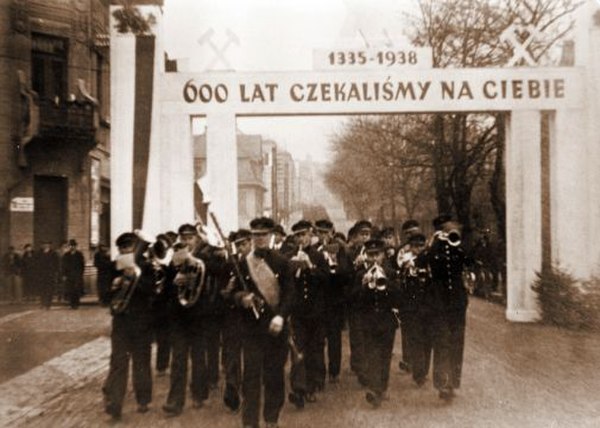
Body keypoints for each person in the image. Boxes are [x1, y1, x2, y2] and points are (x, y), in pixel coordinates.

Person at [230, 217, 295, 428]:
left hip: (276, 329)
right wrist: (242, 298)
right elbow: (231, 293)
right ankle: (249, 422)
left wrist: (280, 316)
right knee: (250, 377)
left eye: (263, 235)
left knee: (274, 376)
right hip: (251, 330)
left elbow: (290, 295)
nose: (259, 239)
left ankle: (271, 419)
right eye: (256, 235)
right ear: (252, 237)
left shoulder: (282, 262)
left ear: (271, 236)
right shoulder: (242, 263)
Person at [163, 223, 227, 416]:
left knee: (199, 358)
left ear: (196, 239)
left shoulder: (205, 257)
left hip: (200, 316)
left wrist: (197, 262)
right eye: (183, 238)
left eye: (190, 238)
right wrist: (174, 280)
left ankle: (199, 394)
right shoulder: (174, 261)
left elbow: (220, 270)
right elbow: (165, 289)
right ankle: (175, 402)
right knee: (178, 360)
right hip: (179, 317)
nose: (186, 242)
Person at [102, 231, 157, 420]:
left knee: (141, 362)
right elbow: (104, 296)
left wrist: (136, 278)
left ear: (135, 249)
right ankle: (115, 404)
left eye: (129, 247)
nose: (125, 251)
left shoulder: (146, 266)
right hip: (121, 321)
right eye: (122, 248)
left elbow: (152, 291)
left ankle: (143, 399)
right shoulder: (113, 267)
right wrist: (114, 286)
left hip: (142, 322)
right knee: (118, 362)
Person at [348, 238, 400, 408]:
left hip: (387, 322)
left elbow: (398, 297)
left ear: (383, 256)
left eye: (377, 255)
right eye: (370, 255)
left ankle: (381, 387)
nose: (373, 259)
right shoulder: (359, 275)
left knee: (384, 357)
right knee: (372, 356)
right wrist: (363, 284)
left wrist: (385, 280)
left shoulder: (390, 273)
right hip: (368, 322)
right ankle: (374, 390)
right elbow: (353, 301)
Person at [425, 214, 469, 401]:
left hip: (457, 302)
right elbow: (428, 261)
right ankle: (442, 383)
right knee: (442, 341)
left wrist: (457, 244)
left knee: (456, 342)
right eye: (449, 233)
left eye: (455, 233)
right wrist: (436, 241)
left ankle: (453, 382)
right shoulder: (436, 249)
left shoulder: (459, 249)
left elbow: (469, 260)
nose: (452, 236)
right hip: (439, 302)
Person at [286, 220, 329, 408]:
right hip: (298, 312)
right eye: (297, 236)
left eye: (303, 235)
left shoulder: (319, 256)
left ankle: (312, 386)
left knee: (314, 350)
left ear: (310, 236)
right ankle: (299, 390)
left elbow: (326, 279)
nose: (301, 239)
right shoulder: (289, 257)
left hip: (316, 312)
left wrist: (310, 266)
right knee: (297, 350)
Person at [313, 219, 352, 384]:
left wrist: (334, 263)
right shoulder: (314, 250)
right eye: (320, 233)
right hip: (318, 300)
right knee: (318, 338)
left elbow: (346, 273)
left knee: (334, 337)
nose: (323, 236)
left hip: (335, 299)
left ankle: (334, 371)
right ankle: (319, 373)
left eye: (326, 232)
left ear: (332, 232)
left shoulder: (340, 249)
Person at [221, 228, 252, 413]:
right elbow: (224, 292)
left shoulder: (258, 262)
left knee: (250, 356)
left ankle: (249, 391)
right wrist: (229, 290)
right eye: (238, 245)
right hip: (234, 316)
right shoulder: (231, 264)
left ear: (251, 242)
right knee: (232, 355)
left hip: (252, 318)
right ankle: (232, 389)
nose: (241, 248)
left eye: (244, 244)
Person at [397, 233, 432, 387]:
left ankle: (423, 370)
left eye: (421, 246)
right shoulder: (405, 260)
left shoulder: (429, 260)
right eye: (415, 246)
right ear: (410, 247)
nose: (418, 249)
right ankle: (419, 373)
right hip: (412, 306)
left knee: (428, 339)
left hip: (428, 305)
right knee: (416, 338)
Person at [346, 220, 372, 385]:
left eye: (367, 234)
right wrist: (356, 265)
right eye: (362, 235)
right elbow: (344, 276)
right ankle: (360, 368)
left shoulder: (375, 251)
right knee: (357, 335)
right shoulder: (348, 253)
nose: (365, 237)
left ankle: (365, 368)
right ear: (355, 237)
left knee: (368, 336)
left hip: (370, 301)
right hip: (354, 300)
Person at [396, 219, 422, 373]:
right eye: (409, 234)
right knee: (407, 327)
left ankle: (419, 361)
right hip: (407, 293)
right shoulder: (402, 251)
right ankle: (408, 360)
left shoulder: (426, 247)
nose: (412, 236)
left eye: (414, 232)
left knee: (421, 328)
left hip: (423, 293)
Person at [62, 239, 85, 309]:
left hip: (77, 275)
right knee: (70, 290)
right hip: (69, 275)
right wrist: (64, 275)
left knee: (76, 289)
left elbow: (82, 265)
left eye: (73, 245)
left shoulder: (79, 255)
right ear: (69, 246)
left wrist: (80, 273)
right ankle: (72, 304)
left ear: (76, 246)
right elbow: (63, 266)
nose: (72, 247)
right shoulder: (66, 255)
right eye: (71, 246)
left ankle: (76, 304)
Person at [36, 241, 60, 309]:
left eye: (47, 244)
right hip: (41, 275)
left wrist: (55, 272)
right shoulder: (39, 253)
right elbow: (36, 263)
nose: (46, 246)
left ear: (50, 245)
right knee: (42, 289)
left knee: (49, 289)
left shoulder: (53, 253)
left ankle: (48, 304)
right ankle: (42, 303)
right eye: (44, 244)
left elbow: (56, 264)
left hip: (50, 274)